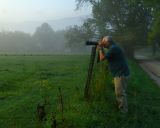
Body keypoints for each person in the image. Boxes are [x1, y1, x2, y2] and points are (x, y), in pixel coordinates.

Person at [98, 36, 130, 113]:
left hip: (120, 73)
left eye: (103, 42)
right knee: (121, 92)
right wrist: (102, 46)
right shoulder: (114, 47)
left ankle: (123, 111)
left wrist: (100, 48)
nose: (103, 43)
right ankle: (122, 107)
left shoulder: (113, 48)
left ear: (108, 42)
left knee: (120, 93)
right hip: (121, 72)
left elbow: (102, 58)